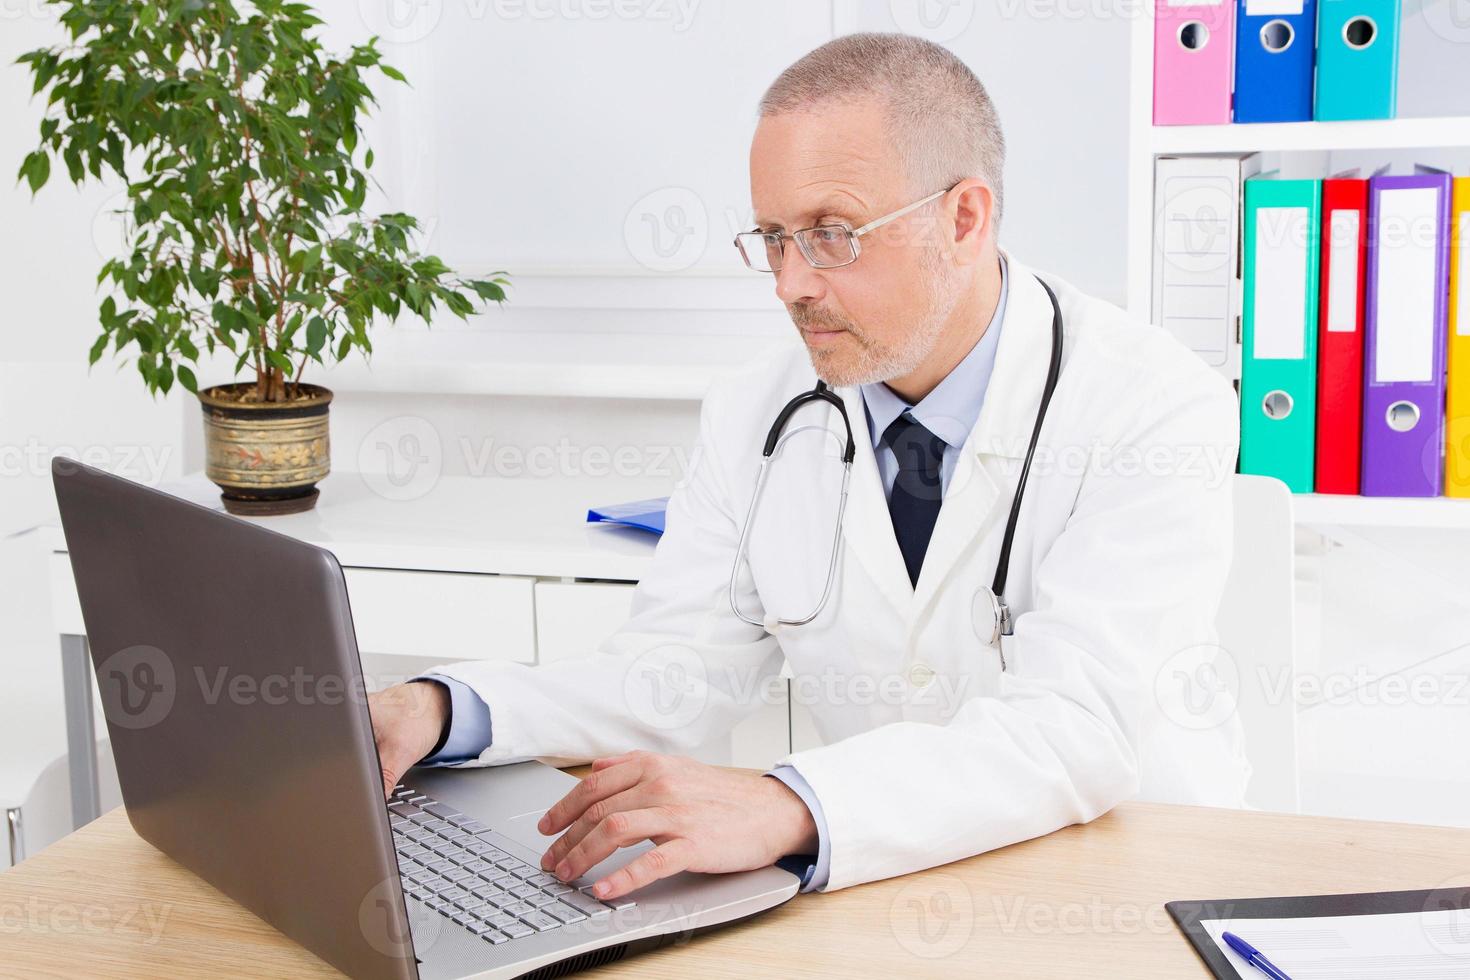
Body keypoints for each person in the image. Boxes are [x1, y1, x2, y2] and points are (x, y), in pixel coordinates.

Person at [367, 32, 1249, 903]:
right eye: (773, 237)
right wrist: (443, 709)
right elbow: (675, 674)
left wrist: (789, 802)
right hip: (879, 888)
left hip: (1121, 883)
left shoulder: (1153, 403)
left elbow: (1075, 729)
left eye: (831, 235)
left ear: (964, 218)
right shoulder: (756, 411)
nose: (788, 283)